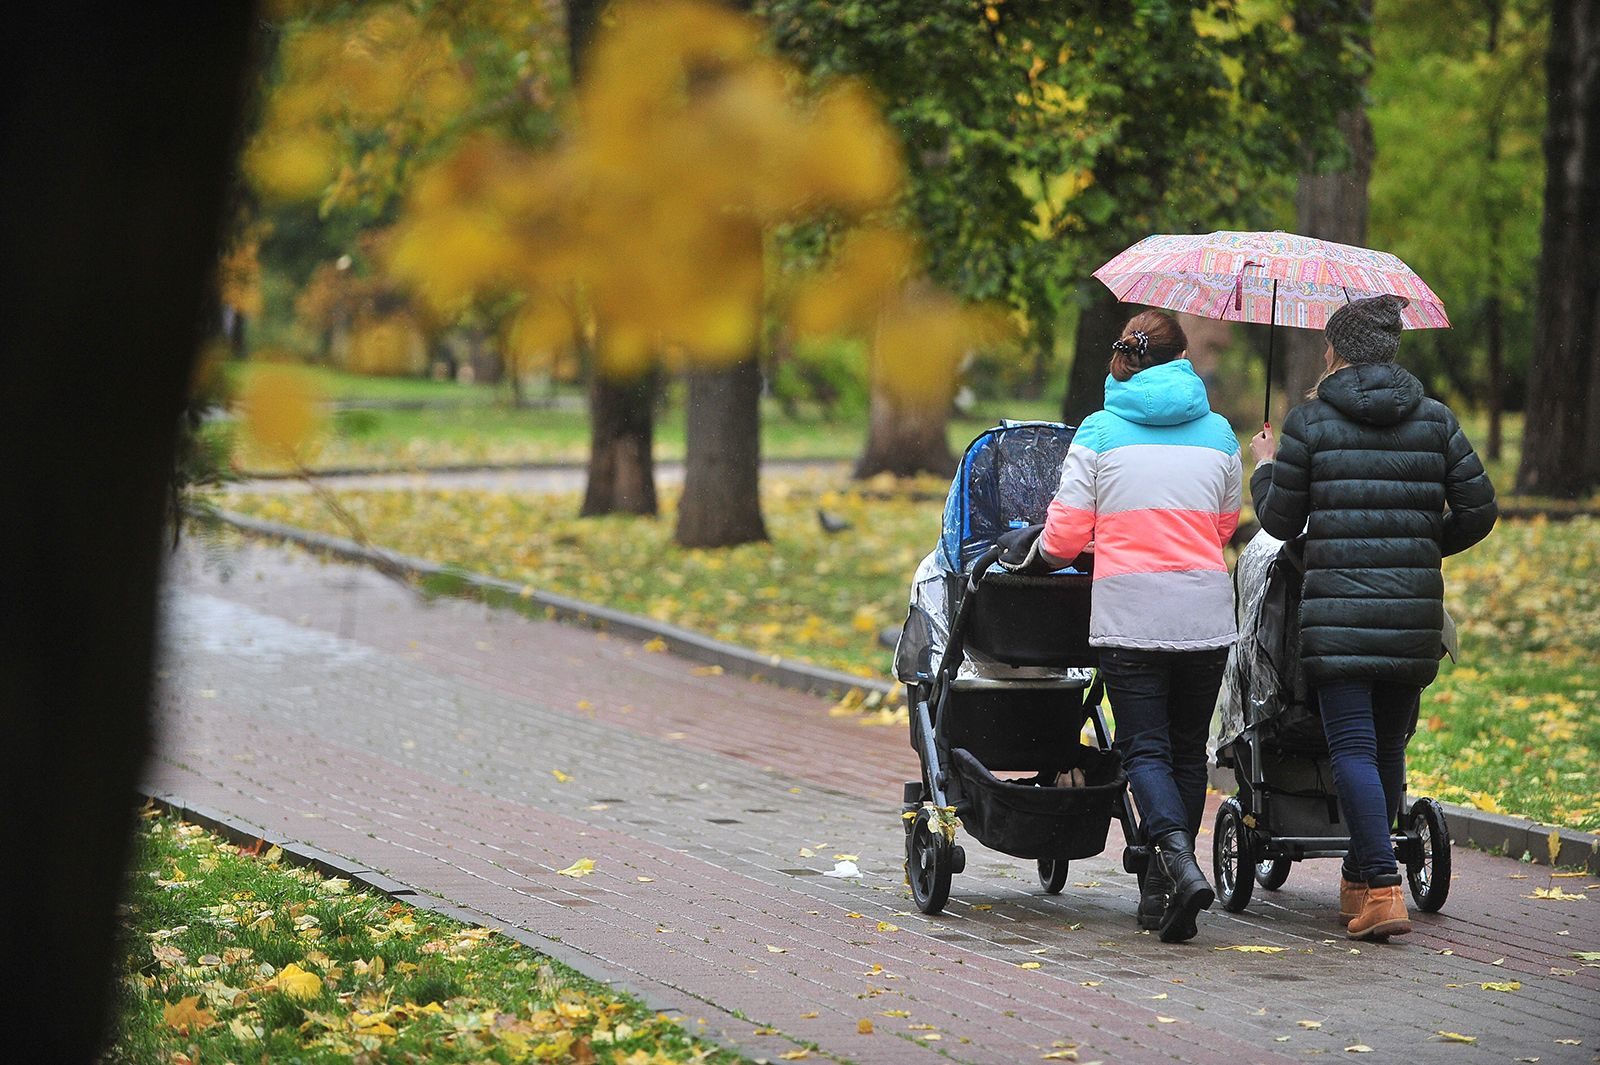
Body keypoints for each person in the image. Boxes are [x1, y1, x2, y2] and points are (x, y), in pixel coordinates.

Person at [1249, 294, 1497, 941]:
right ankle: (1361, 877)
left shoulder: (1310, 422)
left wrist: (1265, 468)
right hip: (1412, 614)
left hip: (1338, 614)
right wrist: (1418, 550)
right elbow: (1479, 510)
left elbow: (1279, 520)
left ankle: (1383, 885)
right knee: (1387, 747)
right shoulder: (1436, 421)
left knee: (1353, 747)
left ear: (1338, 350)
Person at [1032, 310, 1242, 943]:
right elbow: (1224, 526)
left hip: (1131, 616)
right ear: (1182, 360)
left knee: (1142, 748)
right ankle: (1160, 889)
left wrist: (1041, 556)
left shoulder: (1099, 431)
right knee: (1185, 750)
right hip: (1205, 614)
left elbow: (1065, 538)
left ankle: (1177, 861)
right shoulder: (1221, 432)